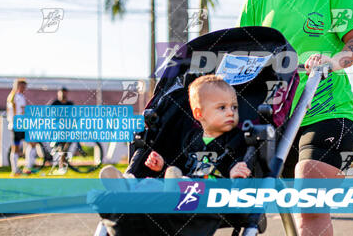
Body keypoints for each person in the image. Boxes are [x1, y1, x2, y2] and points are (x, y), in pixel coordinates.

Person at [238, 0, 353, 236]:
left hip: (328, 112)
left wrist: (334, 61)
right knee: (250, 210)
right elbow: (244, 53)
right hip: (274, 120)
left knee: (309, 205)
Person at [101, 75, 251, 187]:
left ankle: (161, 189)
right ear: (199, 114)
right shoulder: (191, 138)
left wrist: (234, 171)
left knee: (182, 183)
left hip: (212, 190)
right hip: (182, 183)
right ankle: (127, 185)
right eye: (222, 108)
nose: (231, 112)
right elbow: (177, 168)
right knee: (151, 184)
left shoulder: (235, 138)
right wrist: (162, 167)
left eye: (234, 107)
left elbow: (237, 160)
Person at [6, 78, 35, 175]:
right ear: (18, 86)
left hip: (16, 125)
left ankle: (21, 169)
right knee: (20, 146)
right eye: (23, 86)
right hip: (19, 126)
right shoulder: (17, 97)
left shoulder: (11, 96)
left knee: (27, 145)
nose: (24, 88)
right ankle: (21, 169)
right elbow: (21, 113)